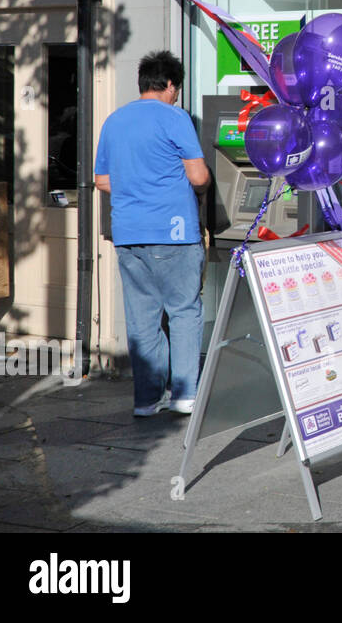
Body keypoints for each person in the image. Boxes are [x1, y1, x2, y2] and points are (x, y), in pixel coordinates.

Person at [94, 51, 210, 416]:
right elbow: (199, 177)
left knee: (142, 318)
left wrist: (137, 187)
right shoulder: (175, 118)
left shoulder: (114, 121)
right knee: (183, 311)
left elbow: (102, 180)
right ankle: (184, 394)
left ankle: (146, 400)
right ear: (171, 85)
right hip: (173, 232)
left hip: (129, 234)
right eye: (176, 88)